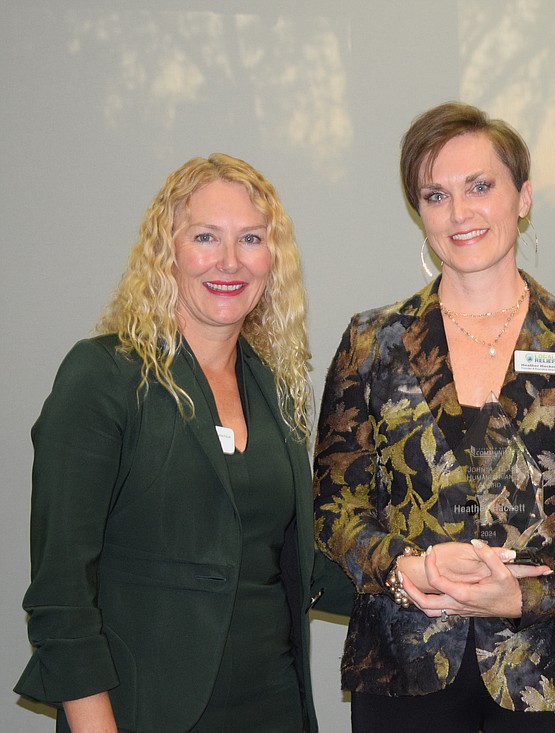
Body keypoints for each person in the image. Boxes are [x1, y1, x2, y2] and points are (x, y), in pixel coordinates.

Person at [314, 101, 555, 733]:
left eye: (480, 187)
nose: (460, 212)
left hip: (549, 668)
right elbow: (335, 505)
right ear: (420, 213)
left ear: (523, 197)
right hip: (404, 665)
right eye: (436, 194)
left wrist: (525, 594)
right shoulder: (372, 342)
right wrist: (400, 568)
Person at [15, 154, 352, 733]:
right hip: (146, 712)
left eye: (250, 238)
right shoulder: (104, 377)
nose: (229, 261)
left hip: (274, 706)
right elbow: (61, 593)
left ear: (273, 261)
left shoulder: (274, 389)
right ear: (165, 252)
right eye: (205, 237)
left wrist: (413, 575)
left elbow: (292, 558)